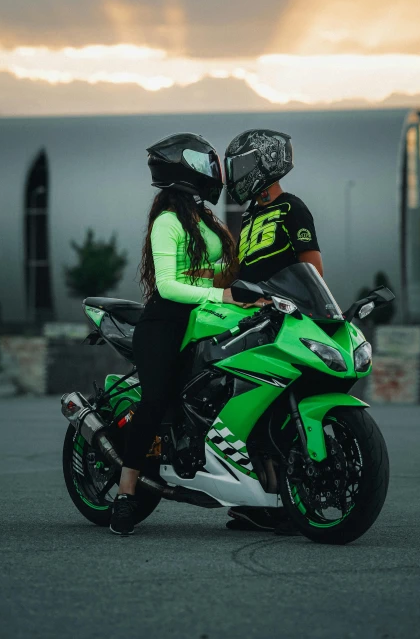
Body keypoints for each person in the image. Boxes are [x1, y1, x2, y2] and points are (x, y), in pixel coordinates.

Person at [110, 132, 242, 535]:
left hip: (206, 319)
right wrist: (221, 291)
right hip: (165, 322)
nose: (213, 171)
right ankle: (126, 491)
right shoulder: (168, 221)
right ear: (188, 169)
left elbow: (220, 272)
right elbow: (167, 286)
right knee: (154, 401)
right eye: (206, 164)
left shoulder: (205, 219)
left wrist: (246, 292)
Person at [223, 128, 323, 533]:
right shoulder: (248, 217)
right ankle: (260, 499)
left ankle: (280, 499)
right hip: (250, 322)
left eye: (242, 165)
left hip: (283, 322)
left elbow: (313, 270)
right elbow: (241, 274)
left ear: (266, 161)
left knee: (276, 407)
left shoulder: (292, 208)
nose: (236, 175)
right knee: (247, 407)